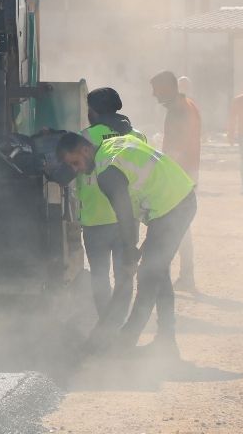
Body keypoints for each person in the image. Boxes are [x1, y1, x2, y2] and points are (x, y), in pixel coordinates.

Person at [58, 131, 197, 359]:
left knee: (148, 275)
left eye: (75, 163)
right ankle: (166, 343)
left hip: (173, 207)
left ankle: (124, 345)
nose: (77, 170)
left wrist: (130, 251)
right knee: (157, 272)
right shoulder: (112, 145)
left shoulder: (106, 173)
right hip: (176, 199)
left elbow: (123, 213)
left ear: (84, 150)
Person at [78, 87, 147, 319]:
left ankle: (105, 324)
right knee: (124, 275)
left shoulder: (86, 137)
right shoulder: (137, 136)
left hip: (95, 219)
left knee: (99, 276)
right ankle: (118, 322)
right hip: (127, 218)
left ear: (94, 111)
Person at [150, 70, 201, 292]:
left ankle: (182, 276)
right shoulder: (186, 105)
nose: (154, 95)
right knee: (181, 226)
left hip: (179, 175)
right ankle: (185, 275)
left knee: (176, 225)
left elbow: (178, 147)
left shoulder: (180, 110)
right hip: (185, 173)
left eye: (156, 90)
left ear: (168, 88)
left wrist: (163, 170)